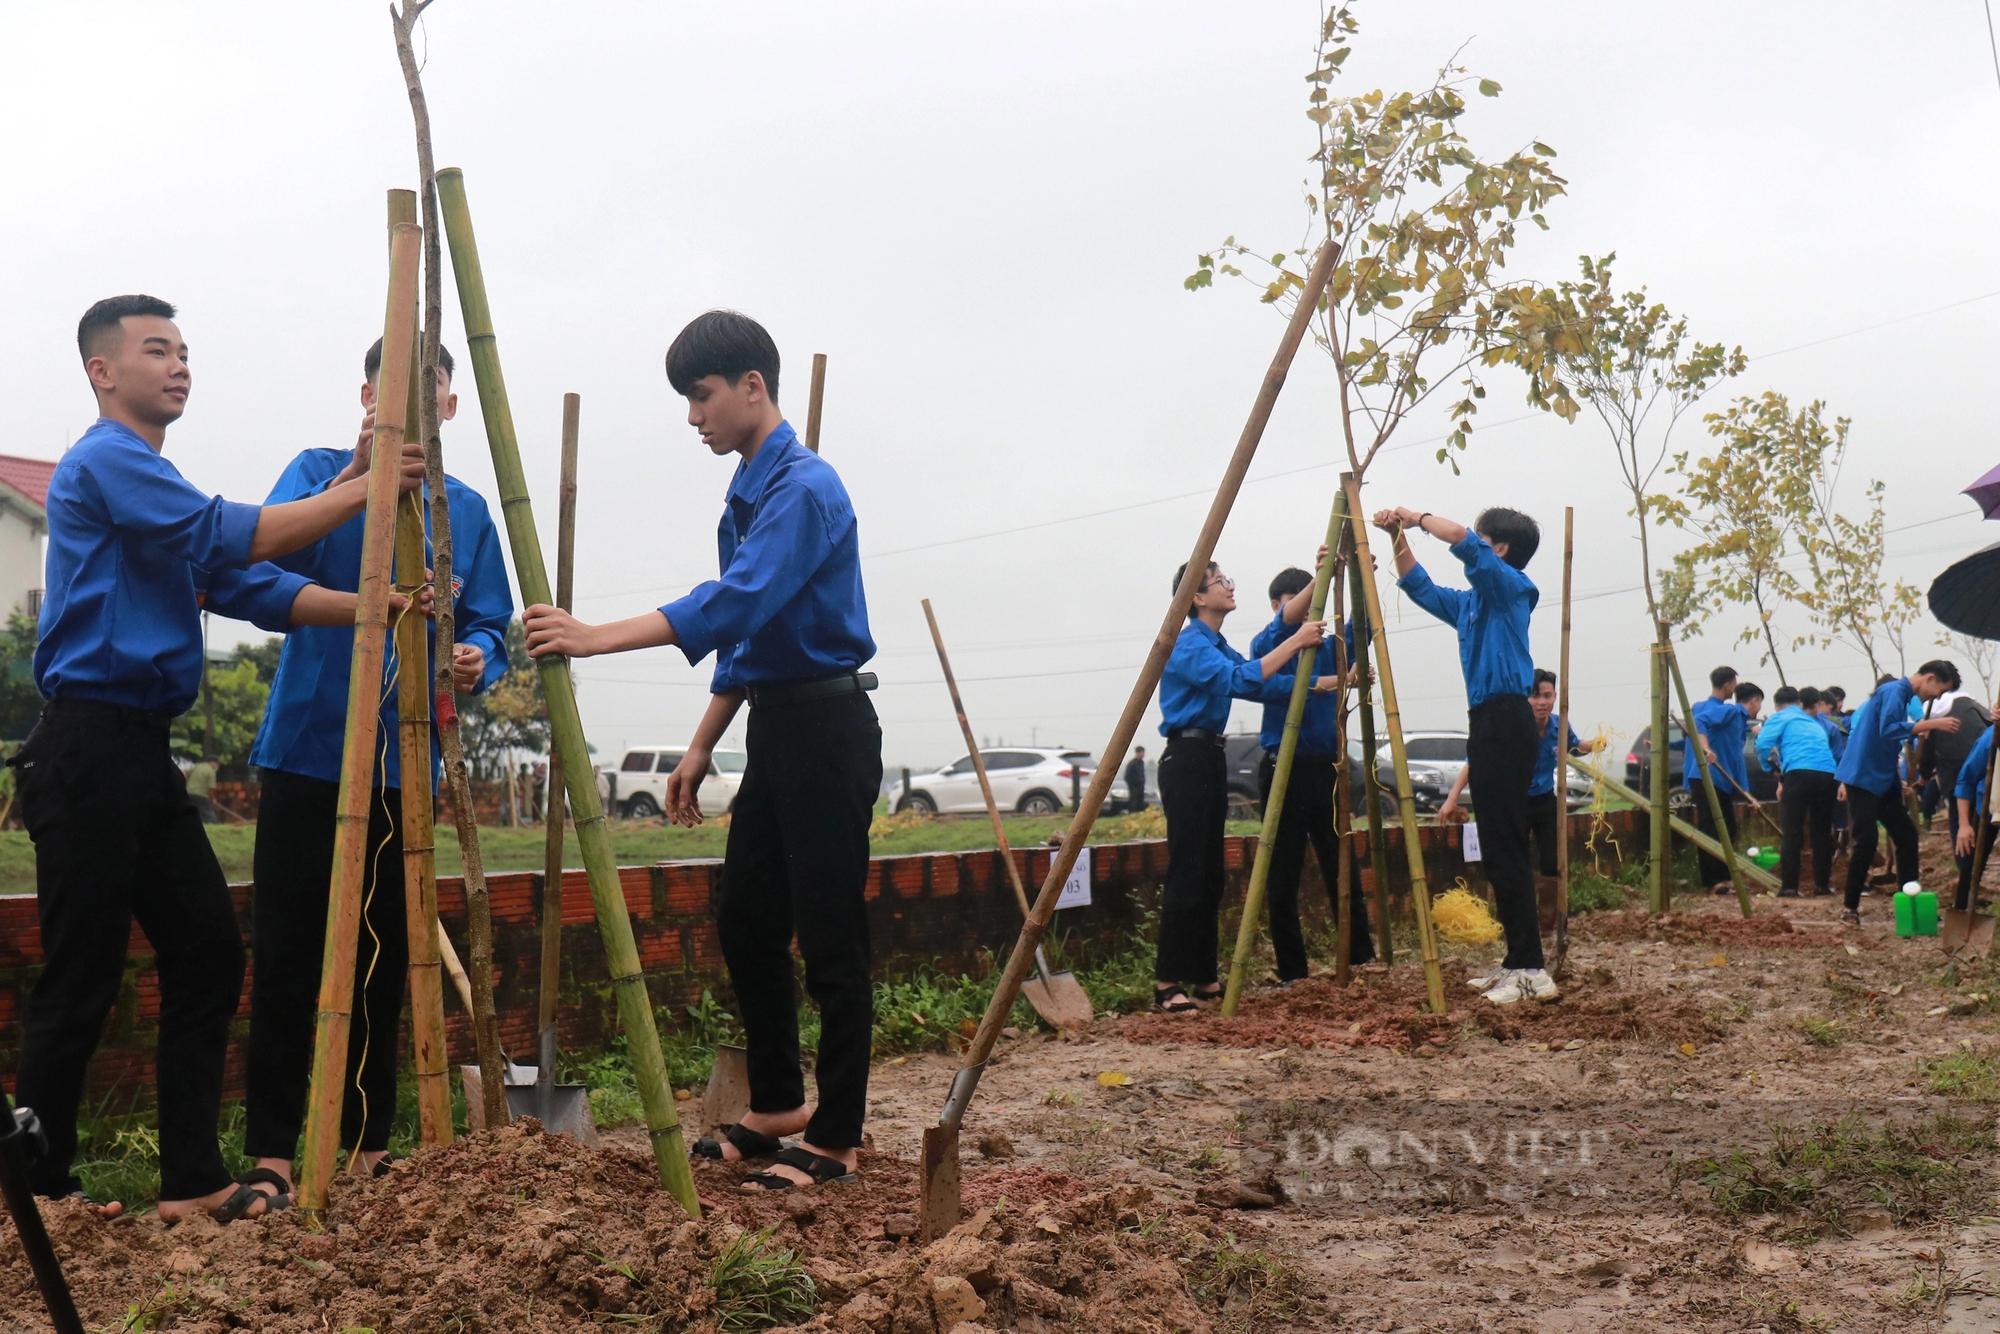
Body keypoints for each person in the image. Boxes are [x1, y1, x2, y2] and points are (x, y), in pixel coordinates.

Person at [13, 295, 423, 1223]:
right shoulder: (108, 460)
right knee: (79, 976)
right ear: (102, 372)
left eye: (185, 350)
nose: (179, 364)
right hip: (85, 747)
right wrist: (365, 488)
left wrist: (376, 606)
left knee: (204, 951)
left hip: (140, 757)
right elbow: (228, 536)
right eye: (156, 350)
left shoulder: (156, 487)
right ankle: (35, 1191)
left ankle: (191, 1180)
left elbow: (249, 584)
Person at [521, 311, 877, 1193]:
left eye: (702, 395)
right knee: (747, 918)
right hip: (778, 729)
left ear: (753, 387)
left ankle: (836, 1137)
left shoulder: (802, 487)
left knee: (830, 935)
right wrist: (699, 746)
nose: (694, 418)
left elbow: (733, 602)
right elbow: (750, 643)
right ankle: (781, 1102)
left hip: (828, 731)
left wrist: (595, 637)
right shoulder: (751, 488)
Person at [238, 339, 512, 1210]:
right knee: (287, 954)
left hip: (407, 770)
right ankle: (275, 1153)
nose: (410, 404)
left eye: (428, 390)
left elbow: (491, 623)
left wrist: (477, 657)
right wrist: (357, 476)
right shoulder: (319, 471)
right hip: (310, 756)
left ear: (451, 406)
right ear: (364, 393)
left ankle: (368, 1143)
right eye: (392, 386)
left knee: (386, 963)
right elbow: (261, 567)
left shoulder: (465, 510)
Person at [1375, 504, 1550, 1005]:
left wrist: (1414, 516)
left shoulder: (1513, 588)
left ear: (1499, 550)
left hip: (1507, 720)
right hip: (1485, 722)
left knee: (1508, 844)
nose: (1473, 542)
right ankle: (1518, 961)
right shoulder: (1472, 604)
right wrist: (1395, 539)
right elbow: (1421, 587)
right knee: (1496, 845)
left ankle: (1532, 970)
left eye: (1482, 539)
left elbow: (1457, 538)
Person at [1150, 560, 1328, 1014]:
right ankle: (1167, 982)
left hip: (1209, 758)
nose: (1230, 587)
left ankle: (1204, 976)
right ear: (1197, 597)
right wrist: (1295, 641)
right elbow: (1237, 680)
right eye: (1220, 582)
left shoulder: (1216, 644)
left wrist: (1326, 683)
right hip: (1186, 760)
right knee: (1188, 870)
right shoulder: (1188, 642)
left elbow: (1261, 683)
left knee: (1209, 872)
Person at [1249, 566, 1375, 983]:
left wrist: (1358, 578)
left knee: (1341, 863)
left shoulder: (1332, 643)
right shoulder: (1270, 643)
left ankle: (1359, 956)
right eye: (1301, 604)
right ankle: (1292, 970)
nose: (1307, 617)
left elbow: (1364, 626)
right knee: (1281, 872)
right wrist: (1342, 680)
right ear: (1278, 605)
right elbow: (1289, 664)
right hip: (1282, 768)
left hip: (1328, 768)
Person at [1438, 668, 1601, 918]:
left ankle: (1549, 921)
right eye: (1535, 696)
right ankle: (1517, 920)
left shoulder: (1560, 726)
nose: (1542, 702)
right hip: (1514, 800)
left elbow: (1575, 746)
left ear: (1555, 697)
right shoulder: (1512, 727)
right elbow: (1474, 763)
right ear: (1526, 698)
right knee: (1516, 863)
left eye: (1547, 696)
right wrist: (1451, 799)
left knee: (1552, 861)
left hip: (1545, 798)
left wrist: (1595, 745)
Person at [1834, 661, 1960, 924]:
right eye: (1939, 691)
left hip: (1885, 777)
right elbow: (1888, 729)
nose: (1935, 697)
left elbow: (1888, 738)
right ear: (1929, 678)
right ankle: (1850, 907)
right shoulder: (1893, 690)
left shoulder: (1902, 696)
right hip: (1862, 776)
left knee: (1907, 835)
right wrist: (1931, 725)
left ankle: (1909, 901)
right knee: (1866, 841)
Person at [1684, 669, 1763, 896]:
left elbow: (1736, 759)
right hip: (1707, 777)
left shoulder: (1738, 721)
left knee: (1728, 828)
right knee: (1711, 829)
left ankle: (1727, 878)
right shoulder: (1730, 712)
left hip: (1723, 781)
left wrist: (1747, 793)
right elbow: (1698, 722)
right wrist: (1705, 748)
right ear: (1754, 701)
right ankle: (1712, 882)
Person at [1756, 685, 1839, 898]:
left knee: (1792, 831)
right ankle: (1822, 886)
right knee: (1821, 832)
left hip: (1799, 774)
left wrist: (1770, 770)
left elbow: (1762, 744)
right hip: (1827, 774)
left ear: (1777, 705)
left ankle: (1790, 887)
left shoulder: (1781, 716)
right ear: (1799, 703)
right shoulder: (1813, 722)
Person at [1953, 708, 1998, 911]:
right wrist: (1964, 825)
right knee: (1973, 865)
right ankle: (1963, 909)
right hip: (1989, 805)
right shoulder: (1992, 739)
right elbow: (1966, 779)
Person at [184, 755, 219, 824]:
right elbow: (210, 788)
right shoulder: (211, 771)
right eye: (217, 764)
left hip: (189, 793)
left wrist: (189, 782)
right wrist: (213, 799)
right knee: (208, 812)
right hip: (201, 795)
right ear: (213, 763)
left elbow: (185, 773)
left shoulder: (198, 766)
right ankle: (215, 825)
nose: (216, 766)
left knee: (195, 812)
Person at [1124, 747, 1148, 812]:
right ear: (1138, 753)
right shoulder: (1132, 764)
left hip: (1141, 786)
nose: (1143, 754)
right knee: (1133, 801)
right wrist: (1132, 785)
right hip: (1134, 786)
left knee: (1141, 801)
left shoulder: (1142, 763)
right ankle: (1132, 812)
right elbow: (1127, 776)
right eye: (1142, 753)